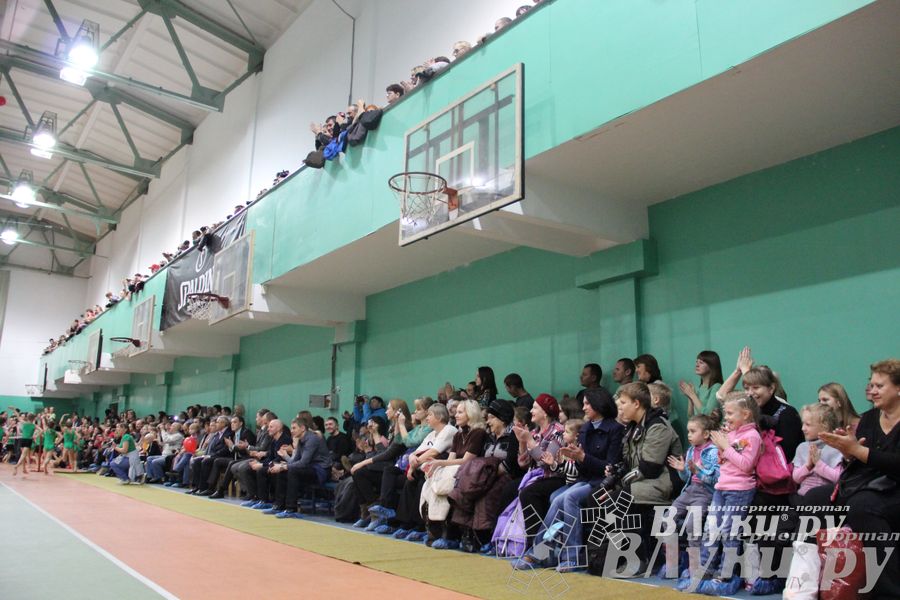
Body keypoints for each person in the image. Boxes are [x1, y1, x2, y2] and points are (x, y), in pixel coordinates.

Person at [804, 359, 900, 600]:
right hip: (867, 485)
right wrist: (848, 453)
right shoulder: (868, 418)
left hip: (893, 489)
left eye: (880, 386)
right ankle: (808, 584)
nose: (872, 390)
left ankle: (889, 592)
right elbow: (860, 463)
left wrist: (858, 451)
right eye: (871, 384)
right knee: (813, 499)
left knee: (863, 507)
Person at [517, 387, 624, 572]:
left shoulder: (615, 429)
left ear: (599, 404)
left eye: (587, 404)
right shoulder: (586, 429)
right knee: (557, 499)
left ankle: (571, 557)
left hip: (604, 482)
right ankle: (541, 552)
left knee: (569, 498)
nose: (584, 408)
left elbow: (611, 467)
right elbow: (581, 466)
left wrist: (582, 458)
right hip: (585, 479)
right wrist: (574, 459)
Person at [581, 383, 682, 574]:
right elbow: (626, 462)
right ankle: (601, 557)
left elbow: (650, 467)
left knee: (617, 500)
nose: (620, 407)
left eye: (623, 403)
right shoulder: (633, 427)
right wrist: (614, 476)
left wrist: (620, 485)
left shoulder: (658, 425)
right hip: (640, 482)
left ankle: (635, 558)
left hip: (662, 483)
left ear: (637, 403)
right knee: (595, 497)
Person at [679, 392, 761, 595]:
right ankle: (704, 572)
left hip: (739, 490)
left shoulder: (752, 436)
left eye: (731, 413)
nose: (727, 417)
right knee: (711, 531)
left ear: (746, 414)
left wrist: (725, 445)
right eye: (726, 413)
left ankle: (725, 576)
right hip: (721, 489)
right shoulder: (730, 435)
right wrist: (721, 445)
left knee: (730, 533)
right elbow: (723, 461)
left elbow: (746, 465)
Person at [420, 400, 489, 548]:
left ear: (470, 414)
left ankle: (447, 534)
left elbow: (466, 460)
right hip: (456, 470)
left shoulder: (478, 433)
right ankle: (434, 530)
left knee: (446, 481)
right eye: (456, 412)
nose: (455, 415)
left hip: (470, 472)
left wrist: (439, 463)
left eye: (460, 412)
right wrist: (436, 466)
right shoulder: (458, 435)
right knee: (430, 480)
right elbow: (451, 459)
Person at [661, 414, 719, 579]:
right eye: (688, 431)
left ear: (706, 434)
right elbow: (687, 478)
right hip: (690, 490)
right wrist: (683, 471)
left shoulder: (714, 452)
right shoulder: (691, 450)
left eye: (693, 431)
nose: (689, 435)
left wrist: (697, 471)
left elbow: (715, 479)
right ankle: (672, 562)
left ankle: (695, 566)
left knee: (693, 525)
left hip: (705, 493)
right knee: (667, 518)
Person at [512, 393, 566, 547]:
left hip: (555, 477)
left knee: (529, 493)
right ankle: (519, 542)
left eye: (535, 408)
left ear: (545, 411)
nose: (531, 411)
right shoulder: (535, 432)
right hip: (538, 477)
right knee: (510, 489)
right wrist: (522, 442)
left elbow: (546, 462)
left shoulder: (558, 430)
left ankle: (535, 545)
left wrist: (529, 440)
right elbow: (523, 463)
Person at [268, 417, 333, 519]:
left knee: (291, 470)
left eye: (294, 428)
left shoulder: (312, 439)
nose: (291, 431)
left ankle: (291, 509)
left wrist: (283, 466)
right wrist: (283, 462)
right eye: (291, 428)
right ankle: (279, 506)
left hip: (321, 471)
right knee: (283, 471)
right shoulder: (301, 440)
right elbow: (294, 461)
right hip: (309, 468)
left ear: (302, 428)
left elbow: (303, 463)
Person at [792, 403, 842, 496]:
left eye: (808, 424)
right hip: (803, 496)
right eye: (803, 423)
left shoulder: (837, 447)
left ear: (825, 426)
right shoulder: (802, 447)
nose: (803, 428)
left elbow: (838, 478)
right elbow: (796, 478)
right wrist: (808, 465)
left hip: (825, 498)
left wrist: (818, 463)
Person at [679, 351, 724, 420]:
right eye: (697, 362)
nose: (697, 365)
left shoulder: (716, 387)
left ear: (711, 366)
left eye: (701, 362)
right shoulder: (698, 388)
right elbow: (691, 418)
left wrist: (692, 395)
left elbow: (708, 415)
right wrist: (690, 398)